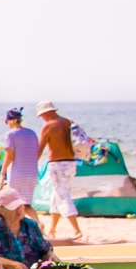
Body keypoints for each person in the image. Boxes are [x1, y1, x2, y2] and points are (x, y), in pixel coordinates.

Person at [36, 100, 82, 244]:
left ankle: (77, 230)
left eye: (42, 115)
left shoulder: (48, 126)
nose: (42, 118)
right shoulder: (68, 122)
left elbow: (39, 149)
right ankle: (52, 230)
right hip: (71, 163)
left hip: (57, 164)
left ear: (46, 113)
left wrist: (30, 164)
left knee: (63, 196)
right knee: (56, 196)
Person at [0, 191, 51, 269]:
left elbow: (44, 249)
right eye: (14, 208)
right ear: (1, 210)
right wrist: (18, 266)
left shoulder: (31, 225)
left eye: (20, 206)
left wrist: (50, 255)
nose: (19, 211)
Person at [0, 108, 40, 206]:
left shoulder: (11, 134)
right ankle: (33, 217)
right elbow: (36, 152)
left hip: (18, 173)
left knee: (14, 203)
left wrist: (2, 173)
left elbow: (9, 156)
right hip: (32, 173)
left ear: (12, 121)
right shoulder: (32, 133)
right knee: (25, 204)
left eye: (6, 121)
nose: (7, 124)